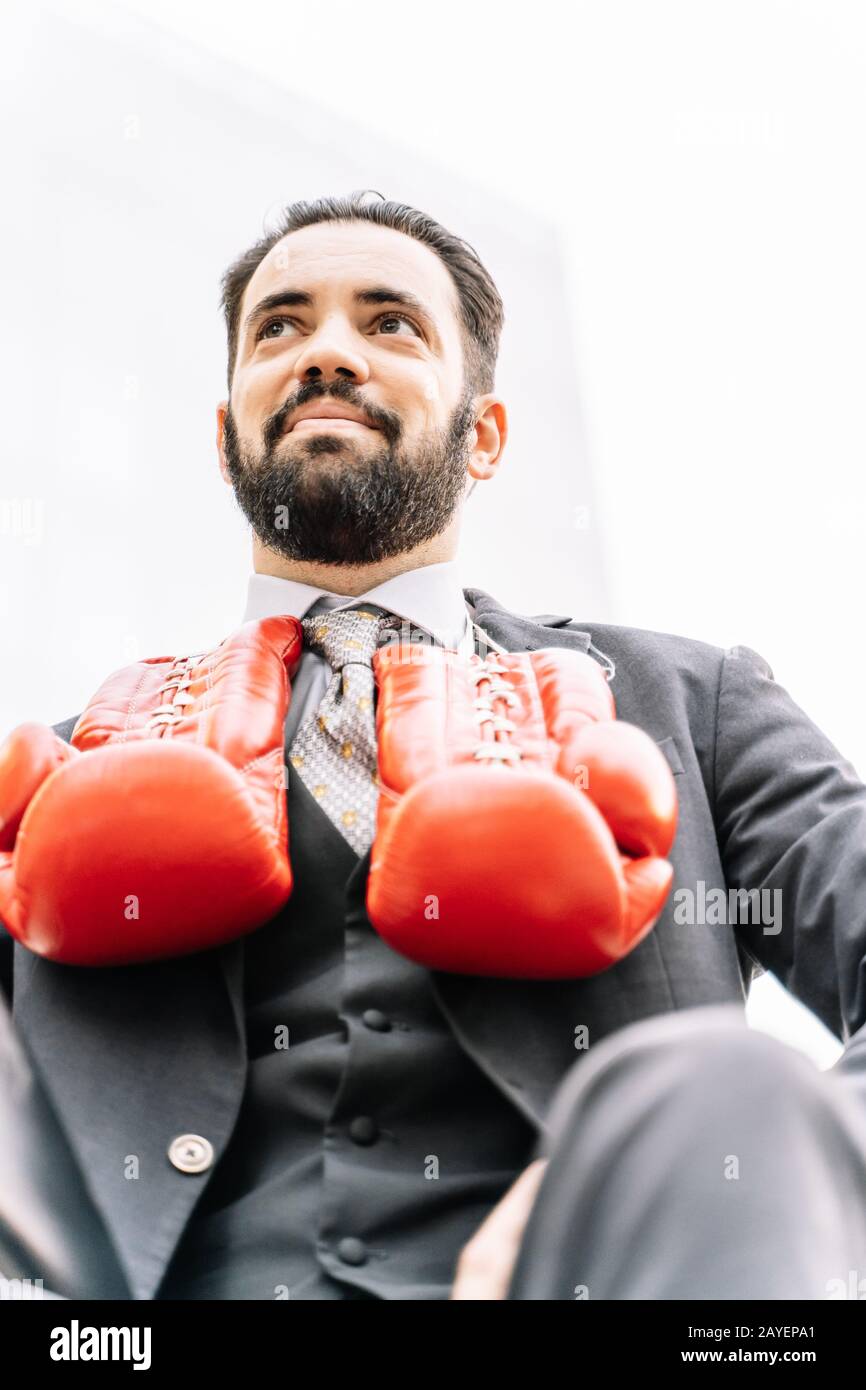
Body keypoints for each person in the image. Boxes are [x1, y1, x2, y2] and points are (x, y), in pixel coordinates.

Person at [3, 189, 866, 1302]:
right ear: (225, 438)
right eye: (280, 326)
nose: (324, 354)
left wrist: (772, 1164)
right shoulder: (63, 771)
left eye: (387, 322)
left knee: (724, 1076)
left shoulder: (688, 699)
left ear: (485, 433)